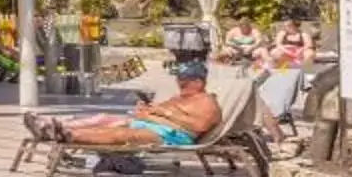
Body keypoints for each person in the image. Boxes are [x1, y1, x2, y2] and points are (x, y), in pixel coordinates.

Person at [28, 60, 223, 163]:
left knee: (122, 134)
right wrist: (146, 111)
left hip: (173, 135)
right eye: (179, 80)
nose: (180, 84)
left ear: (199, 82)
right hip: (152, 124)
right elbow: (159, 111)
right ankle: (53, 127)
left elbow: (200, 125)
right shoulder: (179, 98)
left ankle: (68, 135)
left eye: (185, 82)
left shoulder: (206, 101)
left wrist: (163, 114)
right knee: (105, 121)